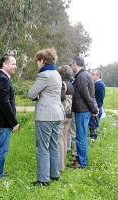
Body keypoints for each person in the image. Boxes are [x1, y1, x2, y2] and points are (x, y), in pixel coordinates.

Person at [28, 48, 64, 186]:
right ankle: (54, 174)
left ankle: (43, 180)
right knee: (53, 145)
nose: (37, 64)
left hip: (45, 115)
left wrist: (36, 95)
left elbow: (31, 94)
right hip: (58, 114)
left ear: (42, 61)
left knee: (42, 147)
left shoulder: (44, 75)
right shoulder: (56, 73)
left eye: (37, 61)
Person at [0, 54, 20, 181]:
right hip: (3, 121)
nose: (15, 66)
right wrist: (14, 122)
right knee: (1, 149)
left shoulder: (0, 77)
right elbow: (5, 103)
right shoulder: (2, 79)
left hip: (0, 119)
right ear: (5, 64)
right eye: (13, 64)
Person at [68, 56, 99, 169]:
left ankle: (81, 163)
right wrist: (94, 107)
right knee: (82, 136)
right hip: (84, 110)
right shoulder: (87, 75)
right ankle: (82, 160)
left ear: (76, 63)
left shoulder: (81, 76)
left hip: (82, 110)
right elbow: (92, 95)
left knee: (81, 137)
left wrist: (94, 109)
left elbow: (86, 95)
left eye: (72, 64)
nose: (71, 66)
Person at [57, 65, 74, 171]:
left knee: (59, 140)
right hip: (70, 114)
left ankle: (59, 166)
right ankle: (62, 165)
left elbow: (61, 97)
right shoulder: (71, 84)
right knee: (64, 139)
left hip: (63, 113)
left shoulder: (62, 84)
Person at [88, 69, 106, 142]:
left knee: (93, 125)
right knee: (95, 124)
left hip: (96, 107)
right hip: (98, 107)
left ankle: (93, 140)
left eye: (93, 74)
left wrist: (94, 108)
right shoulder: (100, 83)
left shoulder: (98, 84)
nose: (91, 76)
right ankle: (94, 139)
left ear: (98, 75)